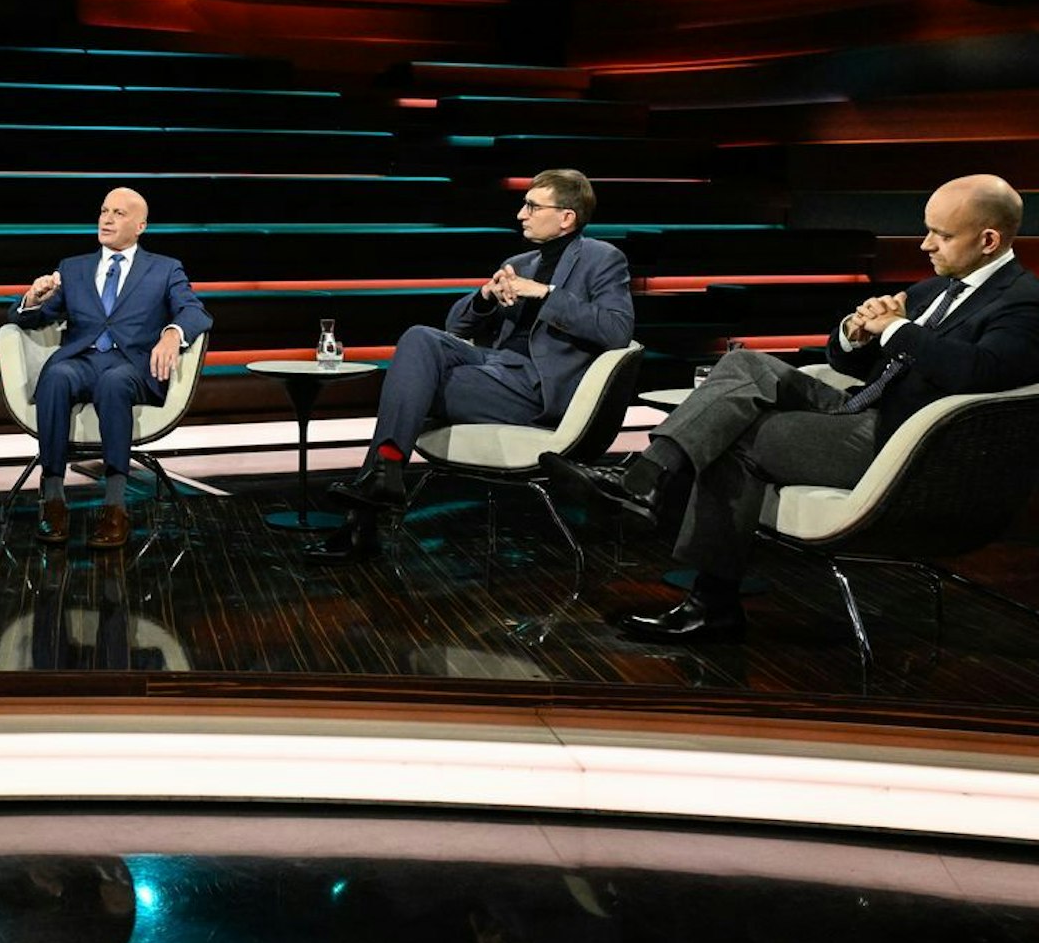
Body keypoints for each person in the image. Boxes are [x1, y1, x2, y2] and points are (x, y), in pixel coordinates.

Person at [546, 173, 1039, 644]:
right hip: (859, 407)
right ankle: (647, 480)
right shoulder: (934, 290)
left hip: (905, 444)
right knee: (746, 365)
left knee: (736, 437)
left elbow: (980, 371)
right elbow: (851, 360)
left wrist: (895, 329)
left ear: (989, 240)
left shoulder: (1022, 302)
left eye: (940, 234)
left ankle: (707, 596)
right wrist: (856, 330)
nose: (925, 245)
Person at [309, 169, 635, 563]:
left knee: (411, 383)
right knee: (419, 337)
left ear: (567, 217)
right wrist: (484, 296)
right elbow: (456, 327)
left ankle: (366, 511)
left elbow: (617, 330)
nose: (521, 214)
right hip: (495, 370)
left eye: (533, 206)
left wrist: (546, 294)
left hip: (537, 390)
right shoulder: (519, 262)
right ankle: (383, 477)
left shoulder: (602, 258)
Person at [12, 186, 212, 549]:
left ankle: (115, 506)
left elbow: (195, 311)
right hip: (82, 360)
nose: (106, 218)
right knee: (56, 376)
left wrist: (172, 334)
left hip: (131, 364)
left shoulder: (165, 269)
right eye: (104, 210)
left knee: (115, 382)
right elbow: (31, 318)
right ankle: (53, 499)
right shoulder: (74, 268)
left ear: (140, 226)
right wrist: (31, 298)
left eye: (119, 213)